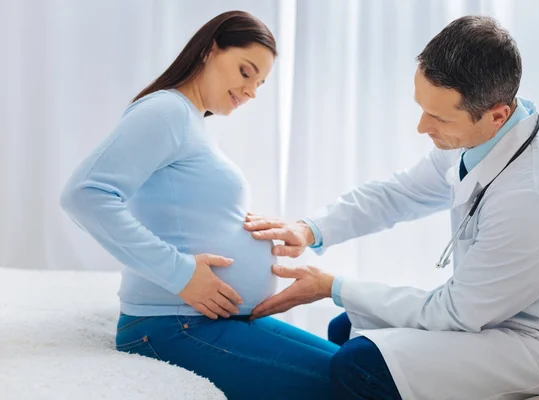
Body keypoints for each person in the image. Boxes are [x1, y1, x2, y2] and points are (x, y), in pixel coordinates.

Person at [245, 15, 539, 400]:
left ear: (497, 114)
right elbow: (399, 194)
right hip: (494, 317)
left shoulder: (535, 196)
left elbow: (456, 312)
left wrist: (333, 286)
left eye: (439, 117)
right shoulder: (479, 142)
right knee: (344, 327)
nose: (421, 127)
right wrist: (311, 229)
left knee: (362, 364)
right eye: (422, 107)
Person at [60, 11, 337, 400]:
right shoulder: (166, 111)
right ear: (210, 50)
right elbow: (84, 195)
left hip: (205, 320)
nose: (252, 91)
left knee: (359, 367)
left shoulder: (190, 121)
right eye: (245, 71)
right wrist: (181, 273)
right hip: (171, 326)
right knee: (355, 382)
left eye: (259, 84)